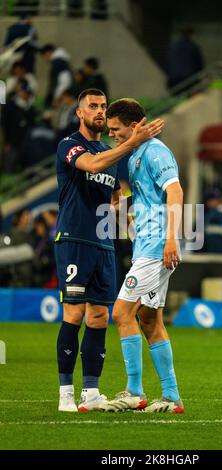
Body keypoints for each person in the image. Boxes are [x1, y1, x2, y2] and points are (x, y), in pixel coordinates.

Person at [54, 88, 164, 412]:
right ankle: (65, 395)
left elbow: (115, 203)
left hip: (103, 245)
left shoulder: (111, 155)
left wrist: (145, 231)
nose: (100, 111)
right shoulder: (70, 145)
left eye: (103, 106)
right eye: (93, 106)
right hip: (74, 239)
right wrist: (131, 143)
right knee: (74, 314)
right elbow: (91, 165)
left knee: (100, 316)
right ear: (80, 113)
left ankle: (91, 392)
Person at [100, 98, 184, 413]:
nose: (113, 136)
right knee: (148, 319)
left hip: (157, 246)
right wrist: (124, 208)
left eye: (116, 130)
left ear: (134, 126)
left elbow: (175, 191)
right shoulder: (137, 154)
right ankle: (172, 397)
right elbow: (151, 196)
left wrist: (171, 239)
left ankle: (134, 391)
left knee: (122, 313)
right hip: (146, 245)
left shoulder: (157, 152)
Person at [167, 26, 204, 92]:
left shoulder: (174, 46)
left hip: (173, 78)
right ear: (191, 34)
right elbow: (199, 65)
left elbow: (168, 62)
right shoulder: (193, 47)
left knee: (176, 99)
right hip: (188, 79)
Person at [40, 44, 74, 108]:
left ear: (48, 52)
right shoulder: (63, 62)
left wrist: (57, 97)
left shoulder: (57, 63)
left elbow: (64, 81)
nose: (45, 59)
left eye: (44, 56)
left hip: (62, 97)